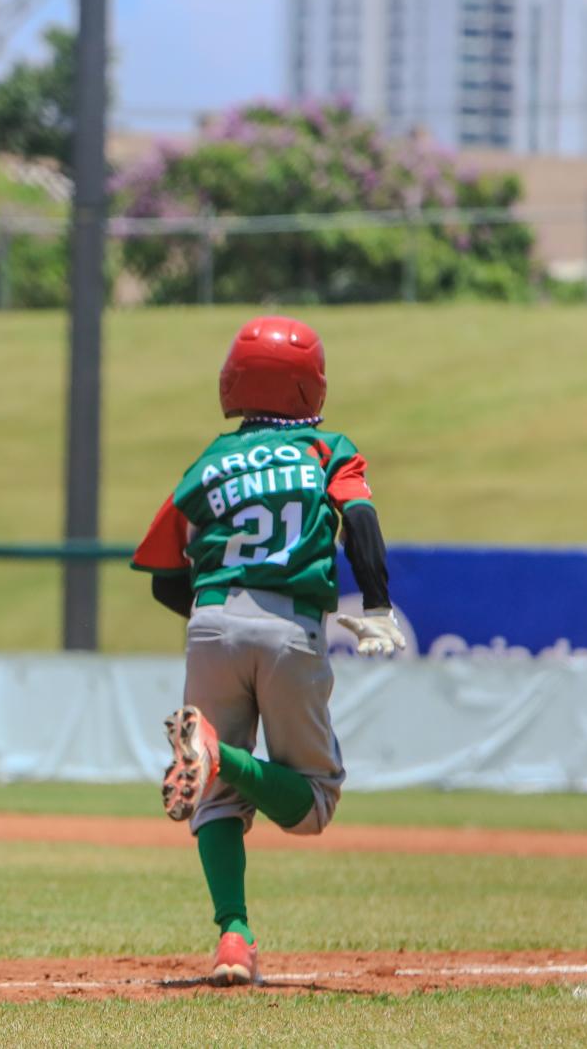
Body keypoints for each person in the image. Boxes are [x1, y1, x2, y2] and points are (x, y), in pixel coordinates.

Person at [131, 317, 407, 987]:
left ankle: (233, 937)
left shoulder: (207, 463)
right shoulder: (324, 448)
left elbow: (167, 573)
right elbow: (361, 520)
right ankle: (219, 753)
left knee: (217, 803)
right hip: (289, 626)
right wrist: (374, 603)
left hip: (212, 618)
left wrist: (216, 618)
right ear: (309, 385)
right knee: (312, 803)